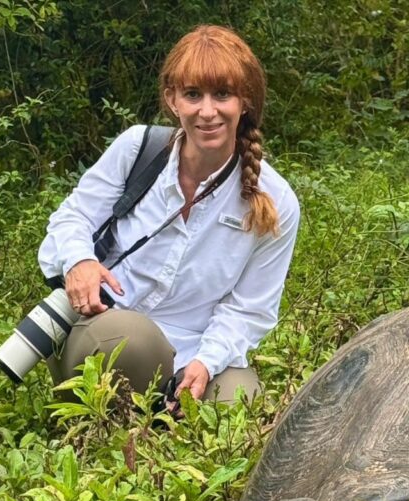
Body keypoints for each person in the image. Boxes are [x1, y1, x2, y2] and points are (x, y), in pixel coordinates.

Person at [37, 25, 299, 408]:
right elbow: (70, 218)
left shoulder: (277, 202)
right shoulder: (136, 150)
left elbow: (250, 309)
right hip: (106, 323)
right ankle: (123, 414)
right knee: (134, 344)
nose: (207, 112)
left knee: (241, 401)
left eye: (222, 94)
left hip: (192, 345)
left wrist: (206, 363)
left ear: (245, 101)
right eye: (193, 95)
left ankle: (166, 408)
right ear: (172, 100)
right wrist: (80, 261)